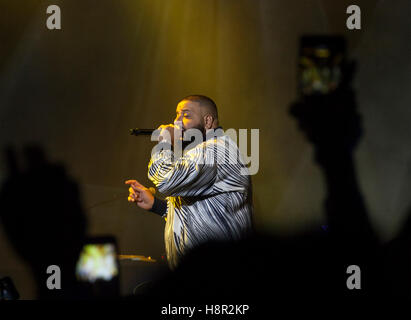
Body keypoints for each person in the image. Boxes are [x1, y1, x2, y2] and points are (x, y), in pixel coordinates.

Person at [125, 95, 253, 268]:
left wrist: (165, 144)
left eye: (186, 115)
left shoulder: (217, 151)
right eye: (176, 115)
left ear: (208, 121)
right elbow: (200, 215)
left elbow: (166, 181)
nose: (176, 122)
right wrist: (158, 206)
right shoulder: (200, 151)